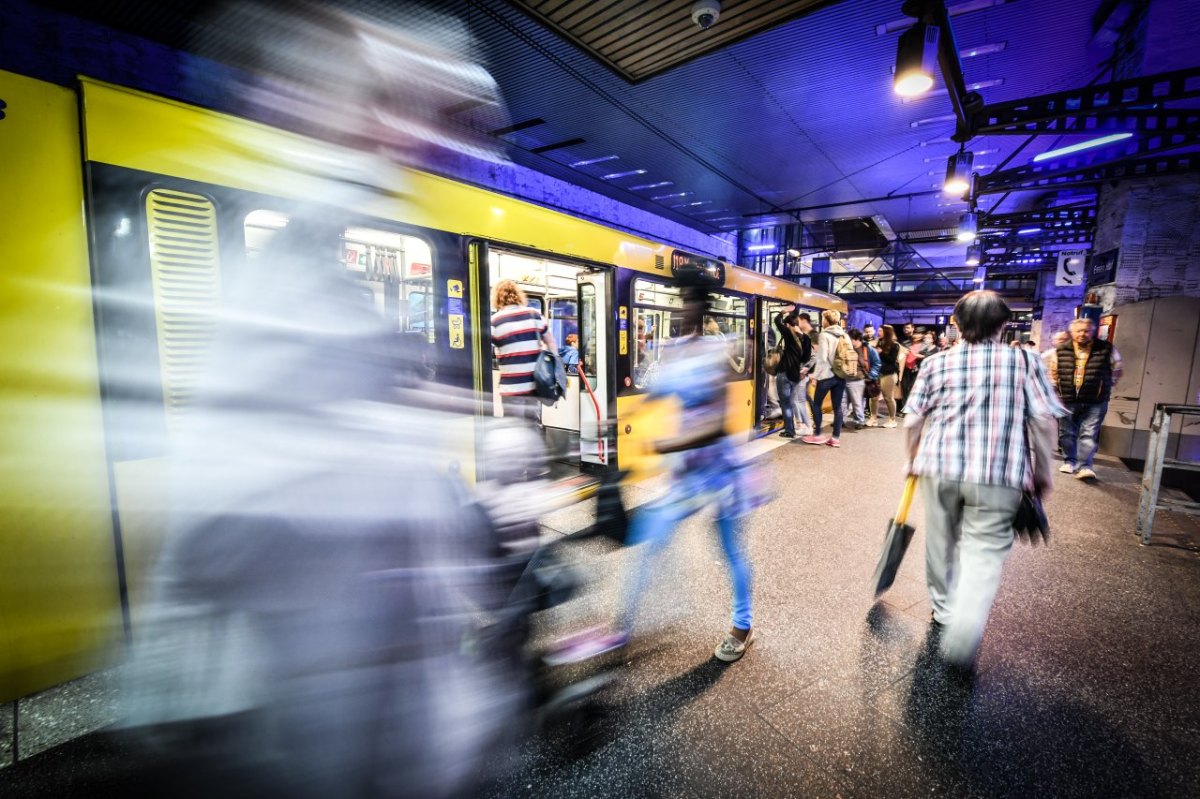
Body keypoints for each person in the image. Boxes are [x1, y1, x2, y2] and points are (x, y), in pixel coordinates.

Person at [555, 285, 759, 663]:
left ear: (703, 309)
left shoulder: (717, 353)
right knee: (650, 542)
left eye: (691, 303)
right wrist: (615, 420)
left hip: (721, 472)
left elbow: (718, 423)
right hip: (688, 475)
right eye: (682, 303)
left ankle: (742, 625)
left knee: (731, 550)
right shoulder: (674, 351)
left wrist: (671, 443)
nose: (685, 311)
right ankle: (621, 629)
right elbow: (656, 396)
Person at [903, 290, 1066, 668]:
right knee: (984, 552)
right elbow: (1043, 421)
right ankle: (965, 627)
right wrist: (1043, 472)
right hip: (999, 473)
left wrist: (911, 459)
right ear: (1004, 324)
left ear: (956, 324)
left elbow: (913, 420)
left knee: (940, 544)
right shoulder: (1024, 361)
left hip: (938, 468)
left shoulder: (936, 363)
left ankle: (943, 611)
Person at [1049, 318, 1123, 481]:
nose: (1082, 334)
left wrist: (1107, 385)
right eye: (1079, 331)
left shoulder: (1106, 349)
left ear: (1093, 331)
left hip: (1096, 400)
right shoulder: (1061, 350)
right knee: (1066, 433)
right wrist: (1055, 393)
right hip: (1067, 398)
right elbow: (1053, 372)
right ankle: (1069, 461)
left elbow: (1117, 368)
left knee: (1089, 433)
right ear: (1072, 332)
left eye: (1086, 330)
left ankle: (1085, 466)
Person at [491, 280, 556, 423]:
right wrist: (555, 367)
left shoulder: (495, 321)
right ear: (518, 295)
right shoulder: (534, 314)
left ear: (497, 297)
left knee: (514, 428)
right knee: (532, 425)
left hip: (511, 388)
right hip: (534, 385)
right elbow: (551, 342)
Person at [803, 309, 848, 447]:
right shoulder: (844, 335)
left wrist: (815, 376)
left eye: (823, 319)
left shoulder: (824, 335)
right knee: (837, 407)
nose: (822, 321)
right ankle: (835, 438)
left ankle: (818, 435)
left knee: (817, 404)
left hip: (827, 376)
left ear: (827, 321)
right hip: (840, 375)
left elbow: (822, 359)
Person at [773, 309, 815, 438]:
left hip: (784, 373)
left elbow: (776, 321)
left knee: (785, 403)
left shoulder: (788, 333)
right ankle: (799, 426)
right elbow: (805, 358)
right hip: (795, 375)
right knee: (793, 401)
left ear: (788, 325)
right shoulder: (807, 339)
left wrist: (783, 312)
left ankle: (789, 430)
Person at [842, 328, 877, 430]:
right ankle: (840, 420)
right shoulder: (847, 348)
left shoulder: (867, 349)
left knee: (857, 402)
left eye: (850, 339)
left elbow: (877, 363)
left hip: (858, 380)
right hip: (844, 378)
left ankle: (859, 421)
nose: (848, 341)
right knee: (842, 402)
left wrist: (870, 376)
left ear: (857, 339)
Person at [875, 324, 902, 427]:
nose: (878, 333)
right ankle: (873, 418)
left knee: (888, 397)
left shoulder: (894, 345)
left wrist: (881, 352)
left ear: (886, 332)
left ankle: (892, 420)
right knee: (876, 397)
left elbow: (891, 360)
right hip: (880, 373)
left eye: (880, 331)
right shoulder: (880, 342)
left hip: (889, 374)